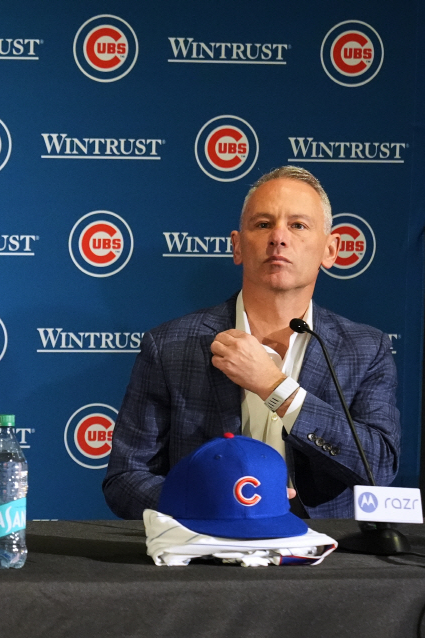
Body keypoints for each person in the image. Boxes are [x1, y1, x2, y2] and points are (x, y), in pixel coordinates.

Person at [104, 166, 399, 519]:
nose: (279, 237)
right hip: (208, 550)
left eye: (298, 225)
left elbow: (377, 467)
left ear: (331, 249)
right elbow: (124, 478)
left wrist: (277, 388)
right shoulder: (169, 346)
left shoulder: (366, 349)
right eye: (263, 224)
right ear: (237, 246)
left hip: (324, 557)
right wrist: (208, 502)